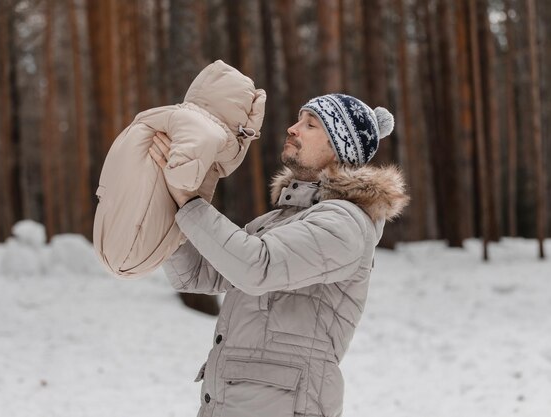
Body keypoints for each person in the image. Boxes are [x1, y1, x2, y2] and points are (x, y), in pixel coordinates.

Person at [149, 93, 409, 417]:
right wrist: (168, 201)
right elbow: (196, 274)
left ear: (339, 149)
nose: (292, 128)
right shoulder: (277, 221)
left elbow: (256, 268)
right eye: (298, 120)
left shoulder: (346, 224)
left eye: (310, 124)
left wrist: (188, 202)